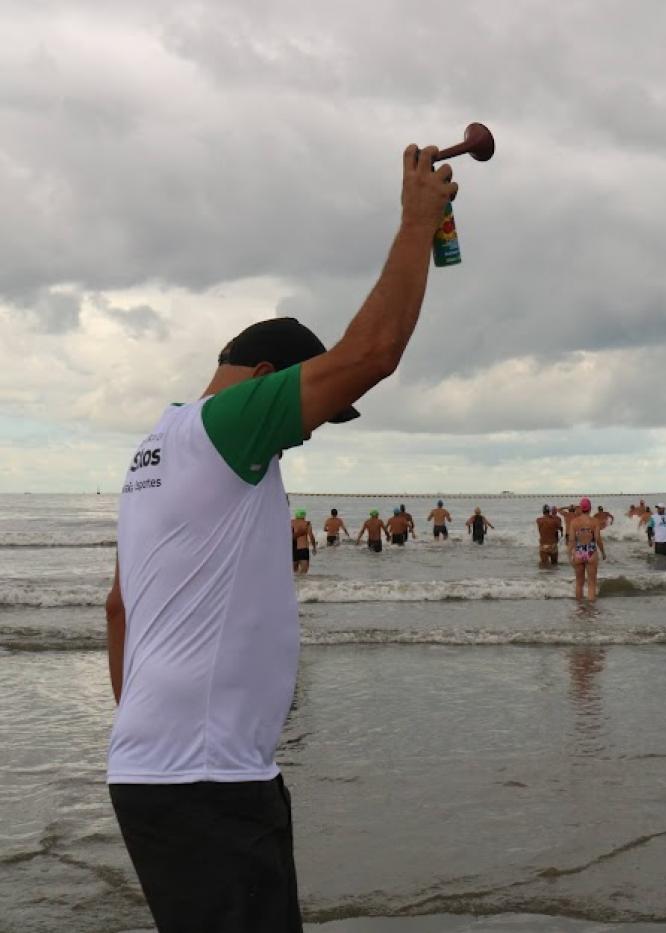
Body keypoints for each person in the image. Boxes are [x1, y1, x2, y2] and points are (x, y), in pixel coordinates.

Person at [101, 140, 457, 932]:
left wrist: (154, 734)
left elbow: (120, 607)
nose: (313, 429)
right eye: (315, 411)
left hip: (167, 771)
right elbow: (375, 352)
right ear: (266, 378)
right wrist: (415, 222)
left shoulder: (151, 455)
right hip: (204, 780)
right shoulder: (227, 425)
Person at [568, 497, 607, 600]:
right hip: (591, 552)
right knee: (591, 583)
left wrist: (569, 555)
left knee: (579, 583)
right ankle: (591, 607)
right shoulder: (595, 521)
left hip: (578, 553)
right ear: (590, 508)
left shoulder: (574, 522)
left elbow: (571, 540)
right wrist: (603, 552)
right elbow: (598, 539)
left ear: (581, 508)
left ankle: (579, 607)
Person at [290, 510, 316, 575]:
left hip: (293, 549)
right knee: (304, 573)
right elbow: (311, 536)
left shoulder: (290, 522)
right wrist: (314, 547)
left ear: (296, 515)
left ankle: (296, 585)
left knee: (293, 573)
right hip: (303, 548)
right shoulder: (307, 523)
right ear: (304, 516)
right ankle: (303, 585)